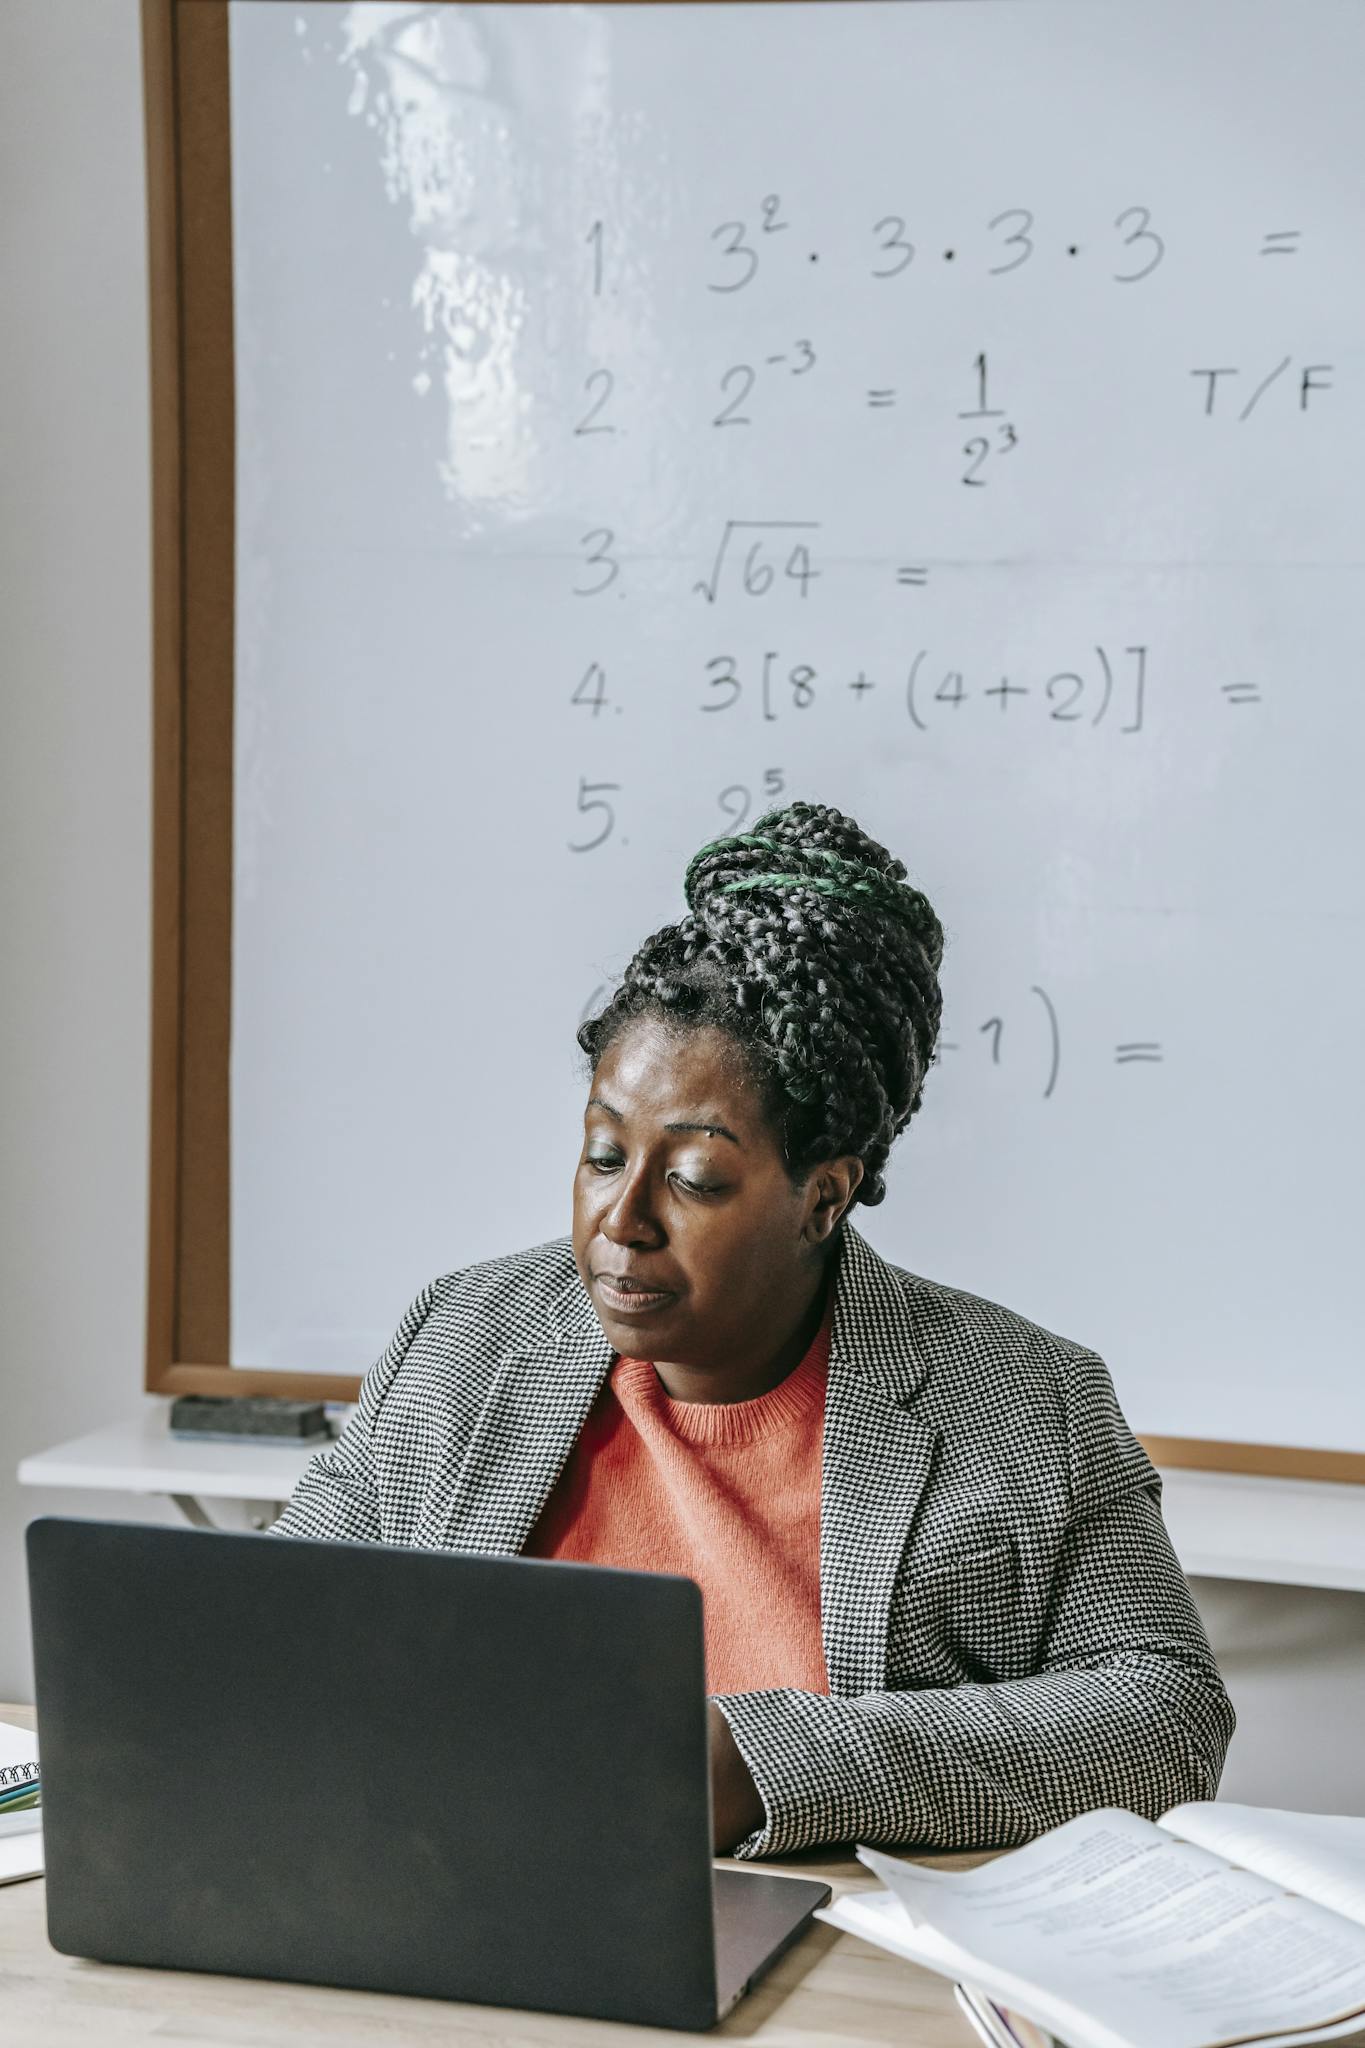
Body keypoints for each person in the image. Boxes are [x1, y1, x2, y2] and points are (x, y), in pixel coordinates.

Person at [274, 801, 1234, 1857]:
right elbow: (271, 1619)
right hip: (456, 1889)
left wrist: (760, 1762)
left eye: (692, 1178)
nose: (621, 1220)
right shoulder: (464, 1338)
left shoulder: (1022, 1400)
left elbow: (1166, 1716)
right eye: (602, 1155)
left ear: (823, 1196)